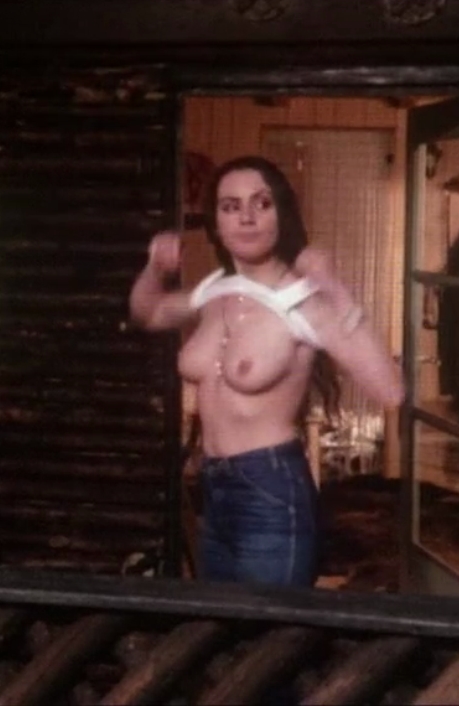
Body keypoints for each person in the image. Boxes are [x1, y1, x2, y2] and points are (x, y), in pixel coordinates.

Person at [128, 155, 404, 588]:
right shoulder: (216, 290)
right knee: (220, 622)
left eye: (261, 203)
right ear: (216, 223)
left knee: (269, 627)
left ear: (281, 215)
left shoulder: (302, 300)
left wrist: (335, 289)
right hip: (213, 489)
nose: (246, 217)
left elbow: (391, 390)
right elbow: (149, 312)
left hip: (270, 489)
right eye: (230, 206)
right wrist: (155, 267)